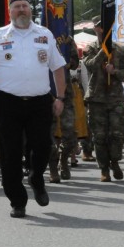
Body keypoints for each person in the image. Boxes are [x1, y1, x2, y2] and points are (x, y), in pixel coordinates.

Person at [0, 0, 66, 219]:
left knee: (43, 147)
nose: (21, 9)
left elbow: (58, 68)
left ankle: (36, 178)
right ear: (10, 11)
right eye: (17, 6)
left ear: (30, 9)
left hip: (40, 102)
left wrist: (61, 97)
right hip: (7, 103)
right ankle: (17, 200)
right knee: (10, 154)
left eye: (25, 5)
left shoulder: (45, 34)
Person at [83, 16, 124, 183]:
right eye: (99, 27)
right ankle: (104, 168)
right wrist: (102, 52)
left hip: (115, 98)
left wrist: (115, 72)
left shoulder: (120, 50)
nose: (102, 29)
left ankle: (115, 161)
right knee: (100, 136)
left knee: (117, 134)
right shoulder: (90, 48)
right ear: (95, 29)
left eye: (105, 26)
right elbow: (89, 65)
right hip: (96, 98)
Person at [49, 35, 79, 183]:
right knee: (47, 134)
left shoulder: (65, 38)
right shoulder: (38, 39)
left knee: (70, 133)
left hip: (65, 94)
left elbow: (75, 63)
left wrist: (64, 63)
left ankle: (64, 160)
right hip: (46, 94)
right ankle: (53, 166)